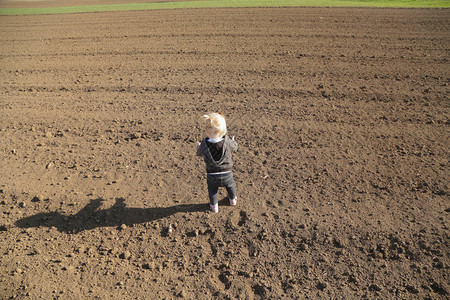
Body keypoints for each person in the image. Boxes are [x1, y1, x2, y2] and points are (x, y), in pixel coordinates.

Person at [196, 112, 238, 213]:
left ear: (207, 130)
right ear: (223, 130)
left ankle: (214, 206)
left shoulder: (204, 144)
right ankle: (232, 200)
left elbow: (199, 153)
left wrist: (199, 146)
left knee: (212, 191)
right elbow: (235, 148)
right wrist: (233, 141)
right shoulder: (227, 141)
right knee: (230, 186)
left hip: (212, 175)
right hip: (227, 173)